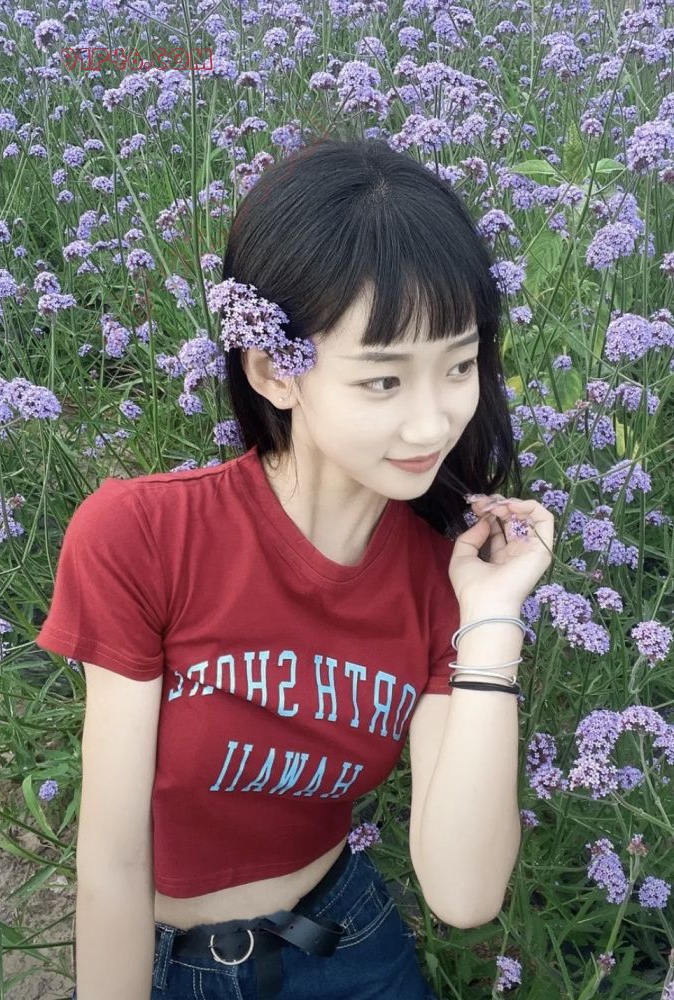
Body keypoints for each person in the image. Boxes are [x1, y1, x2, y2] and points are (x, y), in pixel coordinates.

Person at [35, 135, 555, 1000]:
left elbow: (463, 894)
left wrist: (493, 622)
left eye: (459, 365)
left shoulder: (444, 575)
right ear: (276, 371)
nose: (434, 423)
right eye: (384, 381)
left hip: (349, 945)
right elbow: (114, 866)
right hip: (169, 965)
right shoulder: (144, 535)